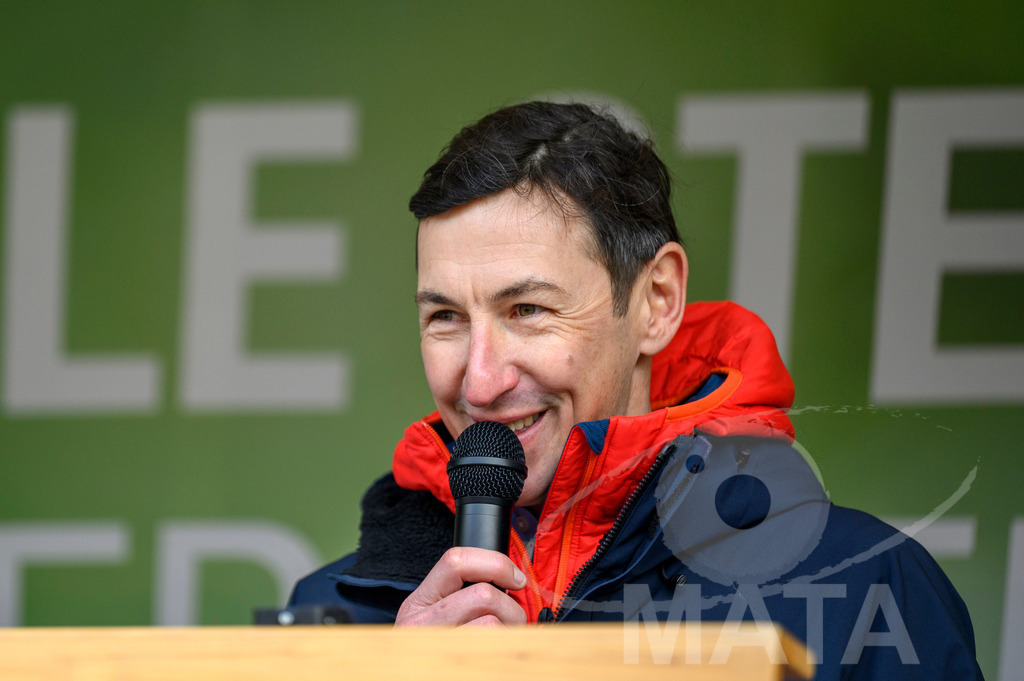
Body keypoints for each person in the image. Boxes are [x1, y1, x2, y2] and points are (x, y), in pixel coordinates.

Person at [289, 101, 982, 679]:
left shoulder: (863, 589)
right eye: (445, 317)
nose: (479, 379)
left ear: (656, 300)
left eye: (527, 310)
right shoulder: (335, 615)